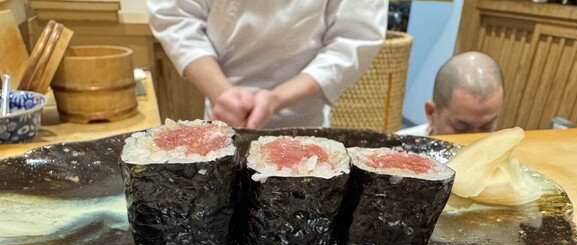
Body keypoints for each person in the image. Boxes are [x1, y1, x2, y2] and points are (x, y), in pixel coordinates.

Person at [147, 1, 388, 129]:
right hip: (223, 116)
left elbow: (354, 38)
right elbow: (175, 16)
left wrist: (276, 99)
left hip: (304, 121)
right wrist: (223, 94)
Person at [398, 51, 505, 136]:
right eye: (461, 128)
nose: (474, 141)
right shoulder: (397, 147)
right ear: (431, 113)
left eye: (487, 127)